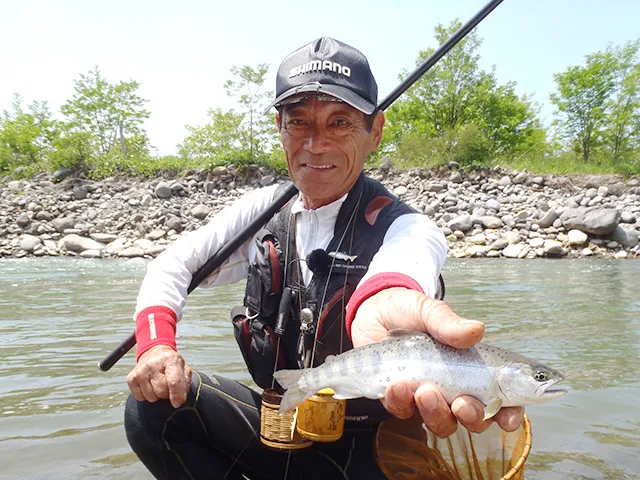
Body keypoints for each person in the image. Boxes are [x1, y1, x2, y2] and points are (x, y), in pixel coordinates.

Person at [124, 37, 524, 480]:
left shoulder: (409, 229)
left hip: (372, 447)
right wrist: (157, 346)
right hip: (282, 422)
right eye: (299, 123)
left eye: (340, 122)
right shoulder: (261, 213)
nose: (316, 144)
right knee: (152, 408)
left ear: (376, 132)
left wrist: (385, 299)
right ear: (280, 129)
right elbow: (172, 265)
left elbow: (400, 273)